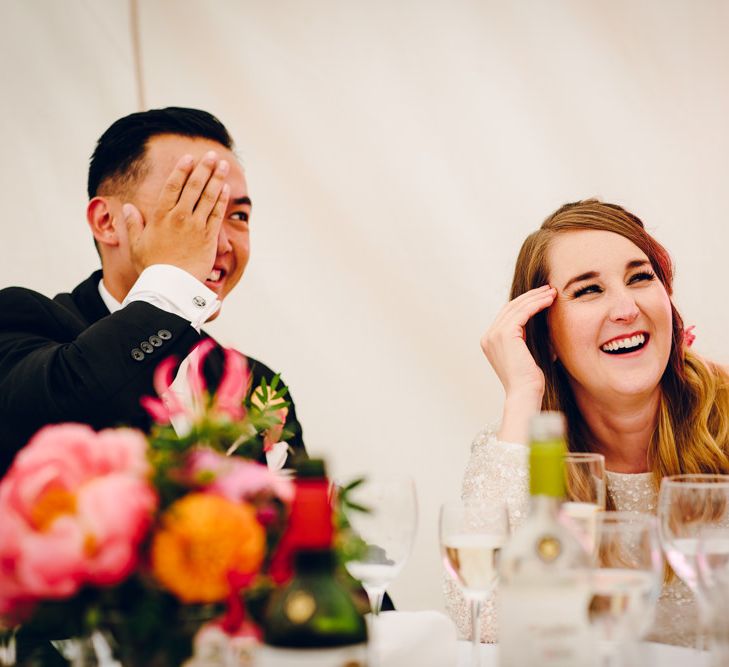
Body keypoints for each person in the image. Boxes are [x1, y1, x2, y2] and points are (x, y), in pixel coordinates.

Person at [445, 198, 729, 646]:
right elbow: (483, 625)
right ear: (546, 335)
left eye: (640, 277)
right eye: (588, 290)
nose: (626, 309)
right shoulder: (518, 453)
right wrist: (522, 396)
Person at [0, 107, 306, 475]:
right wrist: (175, 278)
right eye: (191, 207)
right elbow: (61, 406)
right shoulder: (22, 322)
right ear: (107, 221)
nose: (219, 242)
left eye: (237, 216)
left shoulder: (254, 382)